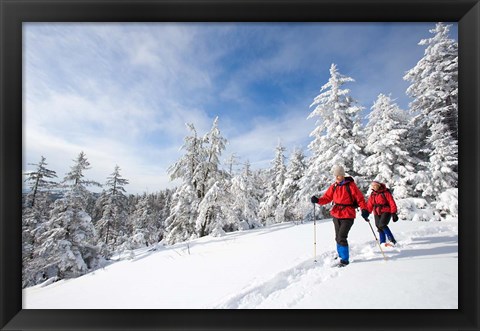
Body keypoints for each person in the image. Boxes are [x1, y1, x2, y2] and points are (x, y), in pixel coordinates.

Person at [311, 165, 369, 267]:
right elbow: (327, 198)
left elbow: (360, 199)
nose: (337, 177)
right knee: (337, 237)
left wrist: (364, 209)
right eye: (336, 175)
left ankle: (345, 260)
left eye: (339, 175)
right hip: (336, 214)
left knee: (342, 236)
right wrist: (318, 200)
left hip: (348, 214)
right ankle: (341, 255)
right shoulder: (334, 186)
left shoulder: (350, 186)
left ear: (343, 175)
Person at [365, 180, 399, 247]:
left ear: (379, 185)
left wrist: (394, 213)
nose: (374, 187)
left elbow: (392, 202)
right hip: (376, 212)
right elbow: (370, 204)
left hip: (386, 210)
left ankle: (392, 240)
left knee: (382, 224)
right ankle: (382, 242)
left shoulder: (385, 193)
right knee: (378, 226)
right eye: (373, 186)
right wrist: (366, 213)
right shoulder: (373, 194)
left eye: (375, 185)